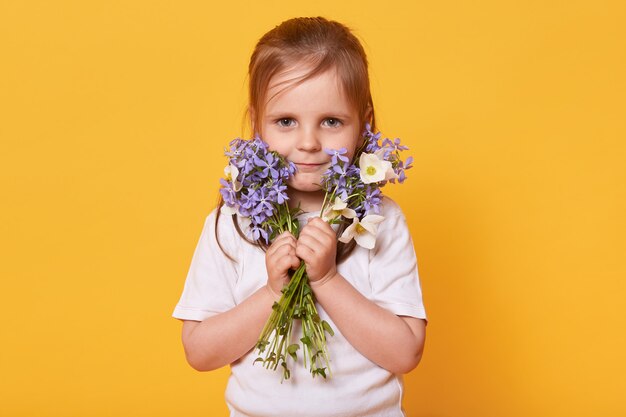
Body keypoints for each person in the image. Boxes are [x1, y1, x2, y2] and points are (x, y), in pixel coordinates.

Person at [172, 16, 428, 417]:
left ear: (364, 123)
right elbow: (199, 352)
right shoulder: (233, 223)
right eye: (286, 121)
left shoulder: (381, 220)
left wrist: (326, 279)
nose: (309, 143)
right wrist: (273, 292)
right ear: (257, 122)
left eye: (331, 121)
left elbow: (406, 352)